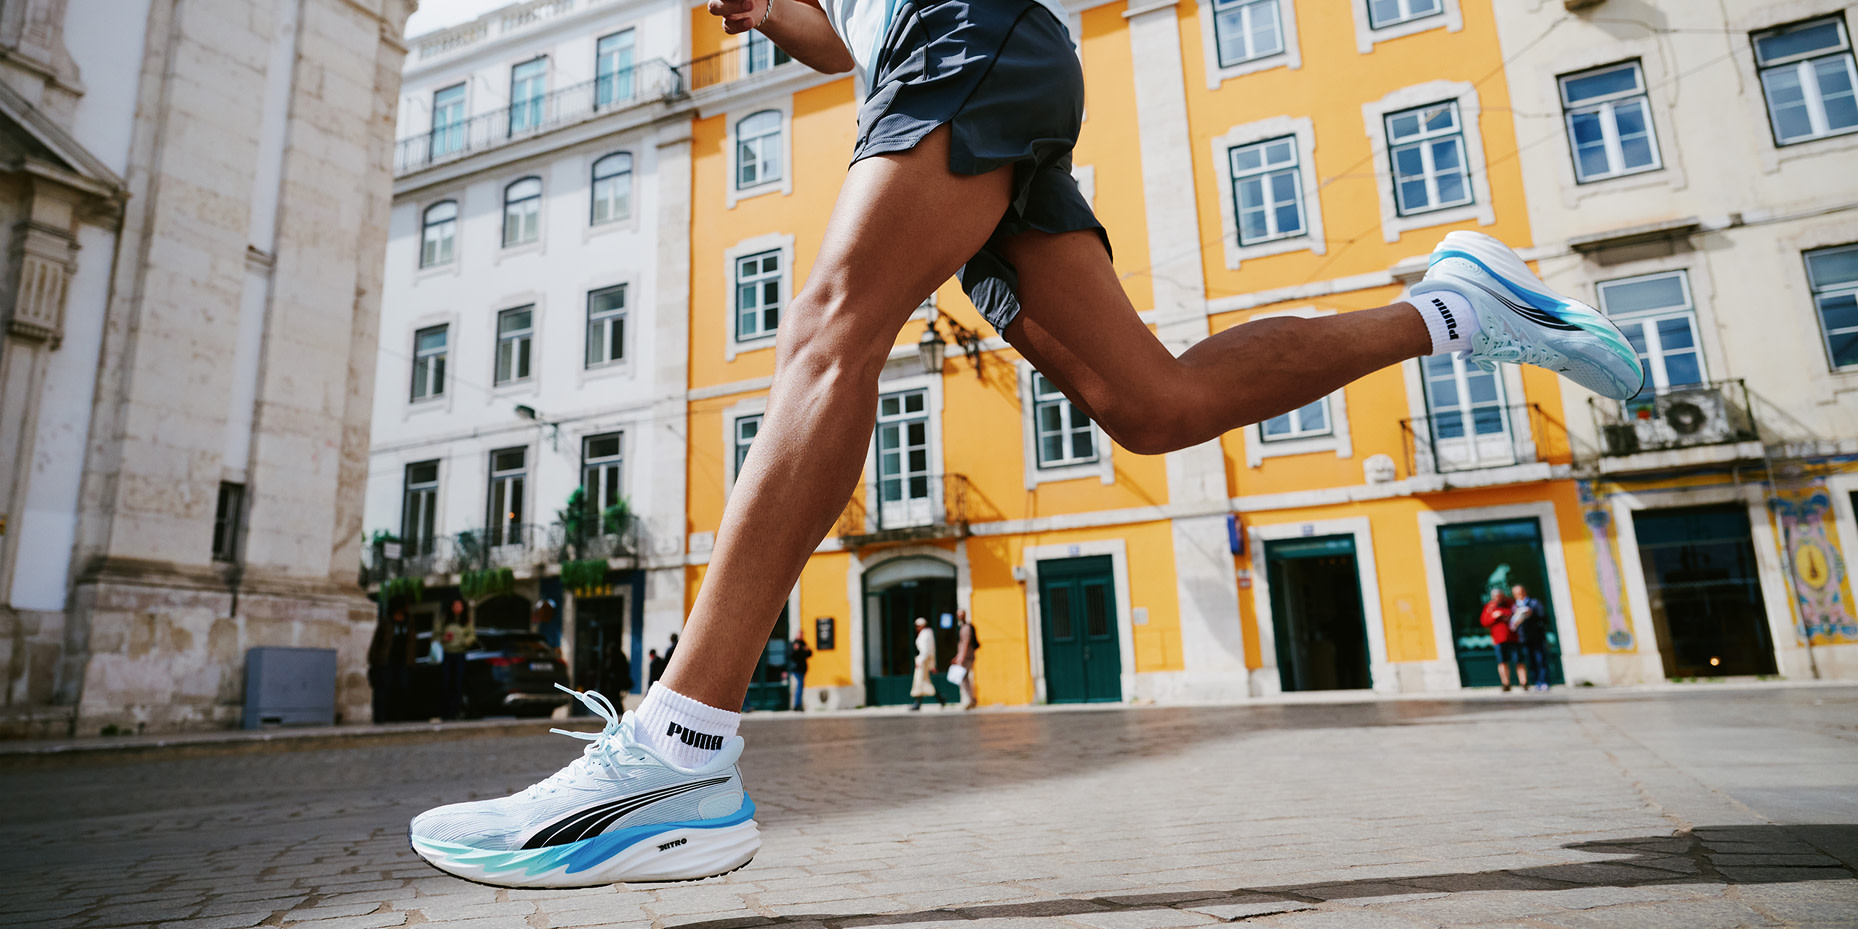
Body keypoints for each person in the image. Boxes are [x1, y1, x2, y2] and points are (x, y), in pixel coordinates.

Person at [410, 0, 1644, 887]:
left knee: (831, 328)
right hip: (973, 50)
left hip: (975, 35)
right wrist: (810, 25)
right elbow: (873, 32)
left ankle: (676, 751)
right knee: (1149, 404)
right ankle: (1453, 307)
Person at [367, 606, 417, 723]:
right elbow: (377, 641)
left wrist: (412, 661)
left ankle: (397, 717)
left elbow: (413, 643)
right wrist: (373, 659)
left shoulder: (409, 623)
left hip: (403, 662)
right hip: (386, 661)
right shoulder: (386, 622)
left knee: (401, 689)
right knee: (383, 689)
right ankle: (380, 718)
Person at [436, 599, 476, 719]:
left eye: (460, 606)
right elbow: (436, 635)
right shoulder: (444, 620)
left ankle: (454, 711)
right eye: (455, 605)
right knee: (446, 683)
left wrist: (464, 642)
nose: (458, 608)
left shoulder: (466, 621)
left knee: (457, 684)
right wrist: (443, 639)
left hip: (460, 654)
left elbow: (472, 636)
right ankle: (445, 712)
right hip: (447, 654)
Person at [1479, 587, 1520, 692]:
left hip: (1513, 637)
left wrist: (1506, 615)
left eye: (1500, 596)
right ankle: (1506, 683)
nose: (1498, 598)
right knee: (1502, 662)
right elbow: (1484, 622)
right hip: (1498, 639)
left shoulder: (1510, 604)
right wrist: (1494, 616)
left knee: (1519, 661)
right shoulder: (1490, 607)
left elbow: (1516, 615)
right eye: (1496, 597)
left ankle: (1523, 682)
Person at [1511, 584, 1550, 692]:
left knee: (1540, 659)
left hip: (1537, 636)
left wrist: (1531, 613)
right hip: (1523, 638)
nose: (1519, 595)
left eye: (1521, 592)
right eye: (1516, 594)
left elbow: (1543, 617)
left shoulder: (1534, 603)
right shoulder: (1515, 607)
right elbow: (1512, 624)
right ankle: (1536, 682)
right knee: (1530, 661)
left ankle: (1544, 682)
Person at [908, 617, 944, 711]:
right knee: (925, 683)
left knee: (919, 682)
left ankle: (917, 703)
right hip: (924, 661)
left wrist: (920, 661)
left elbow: (925, 651)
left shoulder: (925, 635)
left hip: (922, 662)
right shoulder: (928, 634)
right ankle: (940, 698)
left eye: (917, 626)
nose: (916, 628)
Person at [951, 608, 979, 710]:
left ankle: (971, 699)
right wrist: (958, 657)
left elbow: (965, 643)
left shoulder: (966, 628)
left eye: (961, 614)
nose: (960, 616)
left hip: (967, 657)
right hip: (964, 657)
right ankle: (971, 699)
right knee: (965, 678)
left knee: (964, 678)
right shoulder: (962, 627)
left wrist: (960, 658)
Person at [786, 634, 813, 711]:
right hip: (796, 669)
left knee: (800, 686)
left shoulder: (803, 643)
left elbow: (809, 654)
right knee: (800, 686)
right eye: (800, 634)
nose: (801, 636)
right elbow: (790, 655)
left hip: (802, 668)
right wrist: (795, 650)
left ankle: (798, 704)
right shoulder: (793, 643)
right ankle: (797, 705)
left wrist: (808, 650)